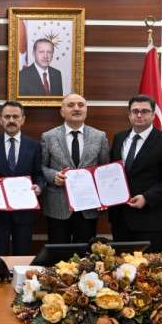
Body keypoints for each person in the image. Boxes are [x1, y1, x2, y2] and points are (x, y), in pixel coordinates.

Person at [108, 95, 162, 253]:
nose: (139, 115)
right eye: (135, 111)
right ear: (129, 114)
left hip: (152, 220)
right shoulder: (119, 138)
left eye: (145, 111)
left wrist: (147, 198)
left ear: (153, 115)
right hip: (120, 220)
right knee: (121, 266)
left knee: (150, 268)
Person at [40, 94, 109, 244]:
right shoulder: (48, 136)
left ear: (86, 110)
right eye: (70, 105)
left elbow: (104, 169)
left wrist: (104, 198)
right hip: (58, 205)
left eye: (81, 105)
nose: (76, 108)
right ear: (62, 111)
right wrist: (54, 176)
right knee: (58, 252)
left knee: (85, 252)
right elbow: (41, 167)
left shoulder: (99, 136)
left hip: (89, 206)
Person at [0, 101, 45, 256]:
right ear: (0, 120)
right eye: (7, 116)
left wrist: (39, 187)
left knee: (22, 256)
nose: (11, 120)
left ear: (23, 120)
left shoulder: (34, 145)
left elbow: (39, 174)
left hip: (25, 211)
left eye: (15, 116)